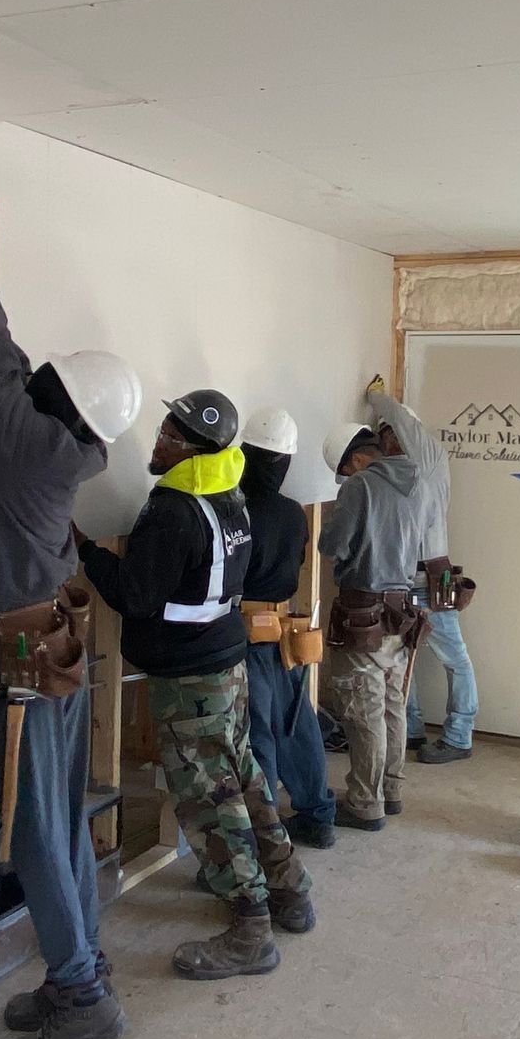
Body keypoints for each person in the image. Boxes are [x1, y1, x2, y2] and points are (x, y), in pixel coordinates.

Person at [0, 185, 144, 1039]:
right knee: (54, 819)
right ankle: (78, 974)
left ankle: (84, 993)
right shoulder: (59, 444)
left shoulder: (31, 444)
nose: (34, 380)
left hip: (25, 655)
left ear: (60, 402)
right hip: (48, 635)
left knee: (37, 834)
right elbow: (14, 376)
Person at [77, 391, 315, 978]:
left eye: (168, 434)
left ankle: (250, 926)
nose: (156, 441)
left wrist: (84, 550)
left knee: (210, 797)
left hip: (188, 679)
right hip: (227, 662)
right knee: (245, 778)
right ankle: (290, 886)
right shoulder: (227, 494)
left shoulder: (173, 509)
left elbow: (134, 595)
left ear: (195, 448)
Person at [318, 419, 429, 831]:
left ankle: (366, 802)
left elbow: (332, 546)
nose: (345, 478)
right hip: (401, 612)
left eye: (345, 469)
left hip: (362, 611)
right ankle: (392, 789)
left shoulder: (359, 486)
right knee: (391, 704)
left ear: (359, 458)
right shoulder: (418, 483)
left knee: (363, 710)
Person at [238, 407, 339, 849]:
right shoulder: (294, 513)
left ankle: (265, 832)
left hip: (246, 630)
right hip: (287, 631)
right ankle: (317, 816)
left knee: (258, 730)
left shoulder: (237, 511)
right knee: (298, 724)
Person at [365, 375, 480, 764]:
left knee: (453, 656)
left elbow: (400, 417)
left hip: (428, 574)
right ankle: (411, 728)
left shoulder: (429, 457)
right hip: (404, 574)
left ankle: (459, 736)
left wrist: (377, 397)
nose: (383, 443)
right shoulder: (401, 472)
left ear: (401, 433)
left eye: (386, 434)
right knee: (400, 650)